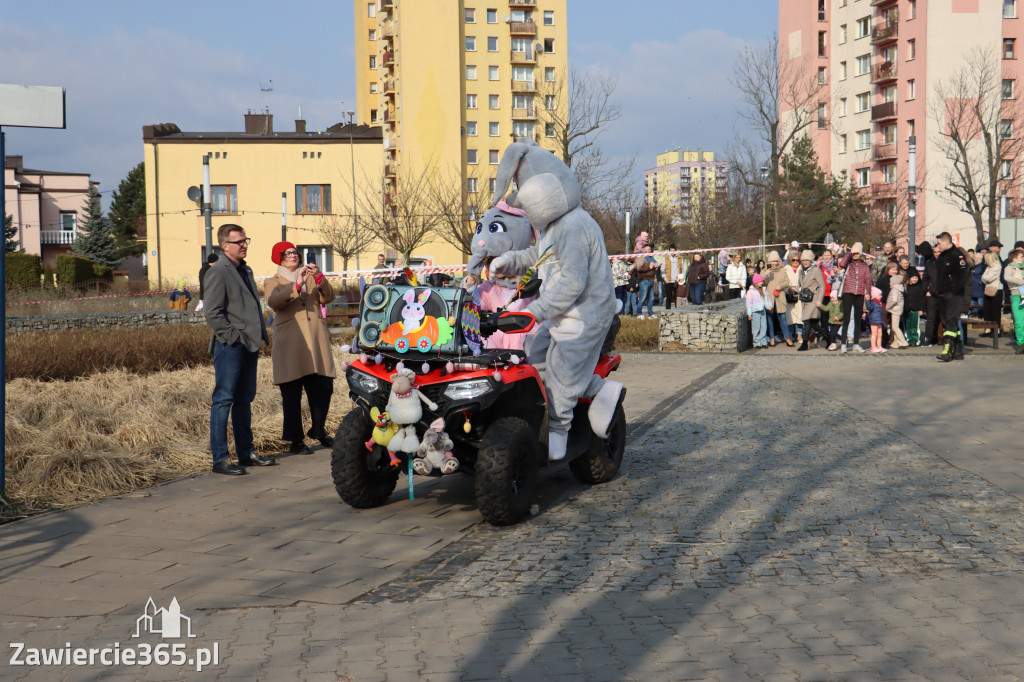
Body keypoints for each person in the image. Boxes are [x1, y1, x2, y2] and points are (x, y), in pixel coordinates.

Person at [203, 224, 275, 475]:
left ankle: (246, 453)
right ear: (225, 246)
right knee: (223, 400)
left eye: (246, 240)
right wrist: (233, 338)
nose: (244, 244)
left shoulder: (246, 269)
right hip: (230, 346)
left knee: (244, 400)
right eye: (239, 241)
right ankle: (220, 459)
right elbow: (212, 313)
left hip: (249, 344)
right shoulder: (218, 272)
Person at [265, 241, 337, 455]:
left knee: (323, 387)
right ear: (279, 257)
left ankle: (318, 430)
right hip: (290, 343)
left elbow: (328, 298)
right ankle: (295, 440)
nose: (294, 256)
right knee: (292, 392)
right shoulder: (273, 281)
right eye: (288, 254)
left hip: (315, 340)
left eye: (295, 252)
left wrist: (320, 278)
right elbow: (275, 301)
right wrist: (296, 285)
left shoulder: (312, 279)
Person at [933, 232, 970, 362]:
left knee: (950, 320)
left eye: (939, 243)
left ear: (946, 241)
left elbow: (965, 272)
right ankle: (958, 350)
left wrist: (956, 289)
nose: (937, 246)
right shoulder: (942, 256)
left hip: (954, 294)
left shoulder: (957, 255)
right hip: (942, 293)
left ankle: (947, 350)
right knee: (948, 321)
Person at [838, 242, 873, 354]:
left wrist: (868, 292)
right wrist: (849, 253)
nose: (855, 255)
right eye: (854, 253)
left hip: (860, 293)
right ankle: (844, 344)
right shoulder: (849, 262)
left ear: (861, 253)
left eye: (857, 253)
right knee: (847, 319)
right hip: (848, 292)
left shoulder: (864, 265)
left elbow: (868, 279)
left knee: (858, 320)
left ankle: (856, 344)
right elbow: (841, 264)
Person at [794, 249, 826, 351]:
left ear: (811, 260)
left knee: (807, 321)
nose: (805, 262)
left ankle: (804, 344)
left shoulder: (816, 270)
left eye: (807, 260)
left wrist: (819, 300)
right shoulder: (801, 271)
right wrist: (794, 289)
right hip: (804, 299)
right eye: (803, 260)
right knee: (813, 324)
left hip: (814, 298)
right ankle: (828, 337)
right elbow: (800, 285)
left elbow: (822, 286)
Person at [765, 251, 791, 346]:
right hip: (769, 299)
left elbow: (787, 281)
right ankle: (772, 338)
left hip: (780, 297)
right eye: (773, 261)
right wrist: (766, 275)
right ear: (769, 262)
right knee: (770, 319)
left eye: (776, 261)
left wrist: (780, 286)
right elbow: (761, 284)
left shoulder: (782, 270)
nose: (775, 263)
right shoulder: (765, 271)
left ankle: (787, 338)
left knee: (783, 318)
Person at [1003, 247, 1024, 353]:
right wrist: (1021, 282)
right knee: (1019, 322)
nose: (1023, 258)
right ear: (1014, 259)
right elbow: (1007, 278)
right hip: (1017, 296)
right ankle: (1021, 343)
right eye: (1022, 256)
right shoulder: (1010, 268)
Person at [980, 251, 1004, 336]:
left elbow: (988, 278)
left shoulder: (997, 266)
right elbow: (983, 277)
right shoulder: (989, 267)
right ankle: (988, 330)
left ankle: (996, 330)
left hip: (997, 290)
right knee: (987, 310)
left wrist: (985, 278)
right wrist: (985, 278)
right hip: (988, 289)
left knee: (995, 311)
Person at [745, 273, 772, 348]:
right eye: (761, 282)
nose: (762, 283)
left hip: (763, 311)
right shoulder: (750, 292)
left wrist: (769, 306)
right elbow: (749, 303)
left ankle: (763, 341)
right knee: (756, 328)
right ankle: (756, 342)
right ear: (756, 282)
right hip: (755, 311)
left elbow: (767, 299)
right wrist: (749, 314)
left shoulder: (763, 290)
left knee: (764, 327)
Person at [904, 265, 925, 346]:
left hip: (916, 309)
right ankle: (908, 339)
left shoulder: (920, 287)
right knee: (907, 325)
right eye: (912, 278)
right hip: (907, 309)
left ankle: (915, 340)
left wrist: (921, 309)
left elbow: (922, 300)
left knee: (914, 326)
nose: (914, 280)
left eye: (916, 278)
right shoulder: (906, 288)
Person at [887, 274, 909, 348]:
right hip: (898, 309)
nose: (889, 283)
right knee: (895, 326)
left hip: (895, 310)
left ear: (894, 283)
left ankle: (903, 342)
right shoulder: (899, 289)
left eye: (890, 282)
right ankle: (896, 343)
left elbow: (894, 300)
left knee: (895, 327)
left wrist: (888, 307)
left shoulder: (894, 290)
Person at [635, 246, 658, 318]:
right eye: (648, 249)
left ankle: (650, 313)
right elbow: (638, 268)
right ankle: (639, 313)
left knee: (651, 298)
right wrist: (649, 267)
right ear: (644, 250)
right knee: (642, 298)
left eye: (650, 249)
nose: (649, 250)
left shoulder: (651, 258)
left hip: (651, 280)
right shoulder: (641, 257)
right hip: (644, 280)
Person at [866, 287, 886, 353]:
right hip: (874, 321)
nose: (881, 296)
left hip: (879, 321)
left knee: (880, 335)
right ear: (875, 295)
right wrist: (867, 301)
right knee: (874, 335)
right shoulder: (872, 302)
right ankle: (873, 347)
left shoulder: (879, 303)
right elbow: (869, 308)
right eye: (880, 295)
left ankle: (879, 346)